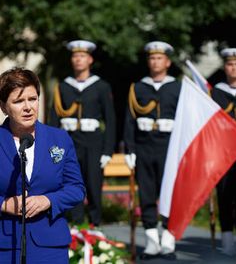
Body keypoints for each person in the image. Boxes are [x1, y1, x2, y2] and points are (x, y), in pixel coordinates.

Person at [0, 68, 85, 264]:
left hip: (50, 245)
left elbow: (76, 188)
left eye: (33, 98)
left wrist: (48, 200)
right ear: (4, 107)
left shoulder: (60, 138)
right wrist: (5, 204)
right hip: (5, 245)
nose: (28, 107)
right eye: (18, 101)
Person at [124, 41, 181, 259]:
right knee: (146, 193)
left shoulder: (178, 87)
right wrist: (130, 148)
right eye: (152, 58)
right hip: (144, 146)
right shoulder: (138, 87)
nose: (155, 61)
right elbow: (130, 120)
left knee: (169, 193)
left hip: (169, 147)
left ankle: (168, 240)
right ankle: (151, 242)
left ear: (167, 62)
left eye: (159, 58)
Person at [50, 40, 116, 227]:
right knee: (71, 183)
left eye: (82, 56)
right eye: (75, 56)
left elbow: (110, 119)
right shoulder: (63, 86)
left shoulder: (101, 86)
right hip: (69, 141)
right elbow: (54, 118)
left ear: (90, 60)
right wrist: (53, 148)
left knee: (94, 185)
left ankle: (95, 226)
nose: (78, 60)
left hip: (93, 141)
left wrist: (107, 151)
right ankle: (77, 225)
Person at [211, 48, 236, 257]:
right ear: (225, 67)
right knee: (225, 194)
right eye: (229, 64)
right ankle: (226, 238)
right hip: (223, 150)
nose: (233, 68)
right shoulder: (216, 92)